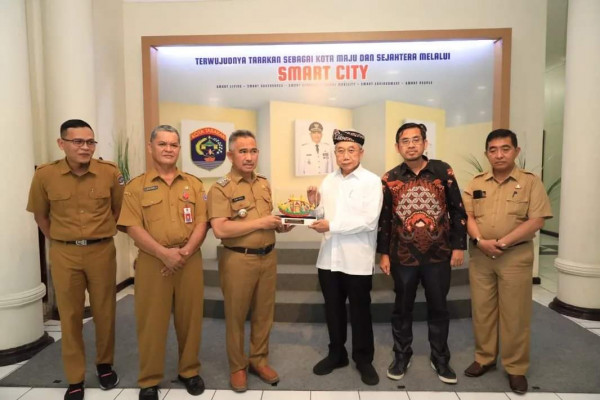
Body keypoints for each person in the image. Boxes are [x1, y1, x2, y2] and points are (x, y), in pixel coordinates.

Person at [27, 119, 123, 400]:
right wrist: (61, 240)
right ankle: (75, 377)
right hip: (65, 253)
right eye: (78, 141)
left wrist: (97, 234)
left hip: (101, 251)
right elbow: (41, 216)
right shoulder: (45, 175)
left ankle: (104, 365)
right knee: (70, 317)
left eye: (90, 142)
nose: (85, 147)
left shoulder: (109, 172)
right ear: (62, 144)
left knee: (105, 311)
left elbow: (118, 210)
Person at [117, 125, 209, 400]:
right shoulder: (136, 187)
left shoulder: (194, 184)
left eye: (173, 144)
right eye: (163, 144)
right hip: (152, 262)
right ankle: (149, 379)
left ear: (179, 149)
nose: (169, 149)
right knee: (151, 322)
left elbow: (203, 222)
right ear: (151, 148)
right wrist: (163, 253)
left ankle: (189, 371)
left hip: (189, 259)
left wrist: (184, 252)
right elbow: (132, 226)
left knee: (190, 319)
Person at [462, 129, 552, 394]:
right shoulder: (476, 183)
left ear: (516, 151)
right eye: (493, 150)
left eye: (505, 149)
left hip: (514, 256)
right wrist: (480, 241)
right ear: (486, 153)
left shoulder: (530, 182)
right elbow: (468, 216)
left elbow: (537, 220)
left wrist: (503, 242)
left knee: (515, 314)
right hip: (481, 256)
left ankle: (515, 367)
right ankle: (484, 358)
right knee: (482, 310)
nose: (499, 154)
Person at [377, 122, 467, 385]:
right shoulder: (390, 178)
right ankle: (401, 355)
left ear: (425, 143)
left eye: (416, 139)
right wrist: (383, 254)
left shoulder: (442, 171)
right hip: (402, 255)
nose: (411, 145)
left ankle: (440, 358)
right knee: (402, 308)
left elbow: (457, 209)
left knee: (439, 308)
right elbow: (385, 219)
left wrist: (458, 245)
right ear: (397, 147)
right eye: (405, 141)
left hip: (438, 254)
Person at [207, 129, 294, 392]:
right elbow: (220, 229)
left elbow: (269, 223)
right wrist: (261, 223)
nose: (249, 157)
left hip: (268, 257)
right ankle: (237, 367)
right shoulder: (220, 188)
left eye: (253, 151)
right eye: (243, 151)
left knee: (264, 314)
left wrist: (284, 225)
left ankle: (259, 360)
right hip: (238, 259)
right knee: (235, 316)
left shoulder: (263, 183)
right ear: (230, 155)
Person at [307, 129, 383, 385]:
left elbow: (368, 221)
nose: (345, 155)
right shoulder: (328, 180)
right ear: (335, 154)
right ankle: (336, 354)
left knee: (360, 311)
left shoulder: (372, 181)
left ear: (361, 152)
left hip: (357, 260)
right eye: (340, 151)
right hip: (329, 258)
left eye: (351, 150)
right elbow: (321, 216)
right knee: (333, 309)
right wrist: (313, 205)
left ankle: (363, 359)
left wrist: (331, 225)